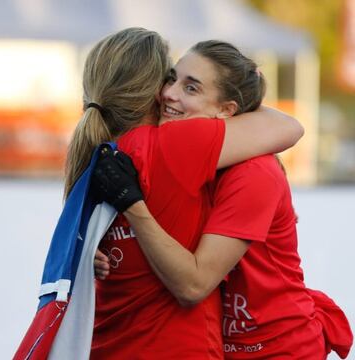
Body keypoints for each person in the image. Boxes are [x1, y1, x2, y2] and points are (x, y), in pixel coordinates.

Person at [93, 40, 353, 359]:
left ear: (226, 110)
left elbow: (194, 284)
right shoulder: (191, 160)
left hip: (277, 349)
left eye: (191, 88)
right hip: (229, 344)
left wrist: (130, 204)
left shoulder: (253, 173)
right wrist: (96, 251)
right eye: (171, 79)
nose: (169, 94)